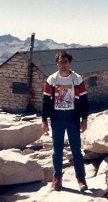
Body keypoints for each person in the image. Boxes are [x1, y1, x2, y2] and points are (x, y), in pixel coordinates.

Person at [42, 50, 89, 192]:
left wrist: (84, 119)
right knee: (57, 150)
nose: (63, 65)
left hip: (72, 117)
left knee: (76, 150)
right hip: (57, 118)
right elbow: (45, 101)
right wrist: (44, 119)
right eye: (60, 62)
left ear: (70, 63)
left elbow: (84, 100)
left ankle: (81, 179)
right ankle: (57, 179)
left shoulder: (77, 79)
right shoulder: (52, 79)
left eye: (66, 62)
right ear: (57, 63)